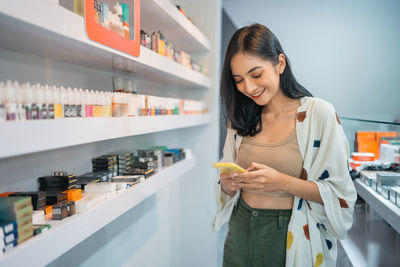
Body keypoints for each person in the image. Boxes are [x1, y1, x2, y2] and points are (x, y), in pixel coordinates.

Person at [212, 23, 357, 267]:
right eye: (238, 80)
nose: (248, 88)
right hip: (240, 228)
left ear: (280, 63)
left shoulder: (318, 114)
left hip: (290, 233)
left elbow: (340, 194)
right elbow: (224, 186)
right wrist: (227, 185)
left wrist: (281, 182)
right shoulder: (239, 120)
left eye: (256, 75)